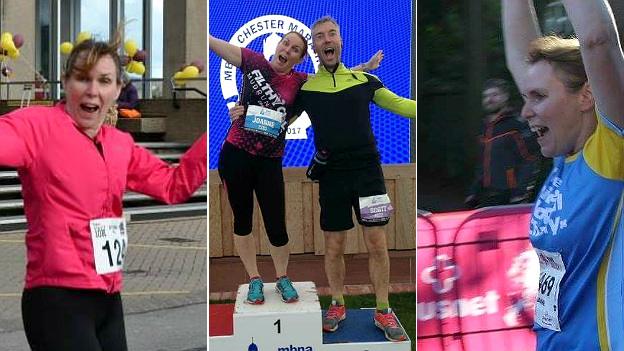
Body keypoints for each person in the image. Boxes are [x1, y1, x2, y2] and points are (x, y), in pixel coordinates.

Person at [0, 35, 207, 350]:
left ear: (118, 90)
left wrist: (216, 133)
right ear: (66, 82)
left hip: (109, 298)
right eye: (82, 78)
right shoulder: (35, 126)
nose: (93, 90)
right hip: (57, 299)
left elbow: (172, 185)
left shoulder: (119, 143)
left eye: (104, 81)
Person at [210, 32, 382, 305]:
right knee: (242, 221)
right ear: (277, 45)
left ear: (300, 58)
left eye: (295, 49)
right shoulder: (252, 62)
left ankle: (282, 278)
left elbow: (335, 82)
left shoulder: (301, 83)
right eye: (285, 44)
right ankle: (254, 279)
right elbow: (214, 43)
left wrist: (365, 68)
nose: (287, 50)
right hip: (235, 156)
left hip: (270, 161)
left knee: (276, 224)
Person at [502, 0, 624, 349]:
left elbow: (598, 40)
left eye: (538, 97)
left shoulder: (609, 154)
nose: (525, 111)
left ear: (587, 96)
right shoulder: (563, 160)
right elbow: (522, 60)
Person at [292, 16, 415, 342]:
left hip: (368, 174)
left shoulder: (365, 80)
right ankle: (336, 303)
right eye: (319, 37)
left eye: (331, 34)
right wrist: (243, 114)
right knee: (334, 246)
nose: (326, 40)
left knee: (376, 242)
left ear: (341, 42)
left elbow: (403, 106)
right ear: (315, 48)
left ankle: (383, 310)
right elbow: (278, 119)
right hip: (332, 177)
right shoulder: (306, 88)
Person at [465, 78, 540, 208]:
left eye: (494, 95)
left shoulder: (516, 124)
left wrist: (520, 193)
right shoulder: (485, 127)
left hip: (510, 197)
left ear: (505, 97)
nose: (490, 99)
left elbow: (530, 160)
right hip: (487, 196)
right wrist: (474, 191)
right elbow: (482, 163)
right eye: (486, 96)